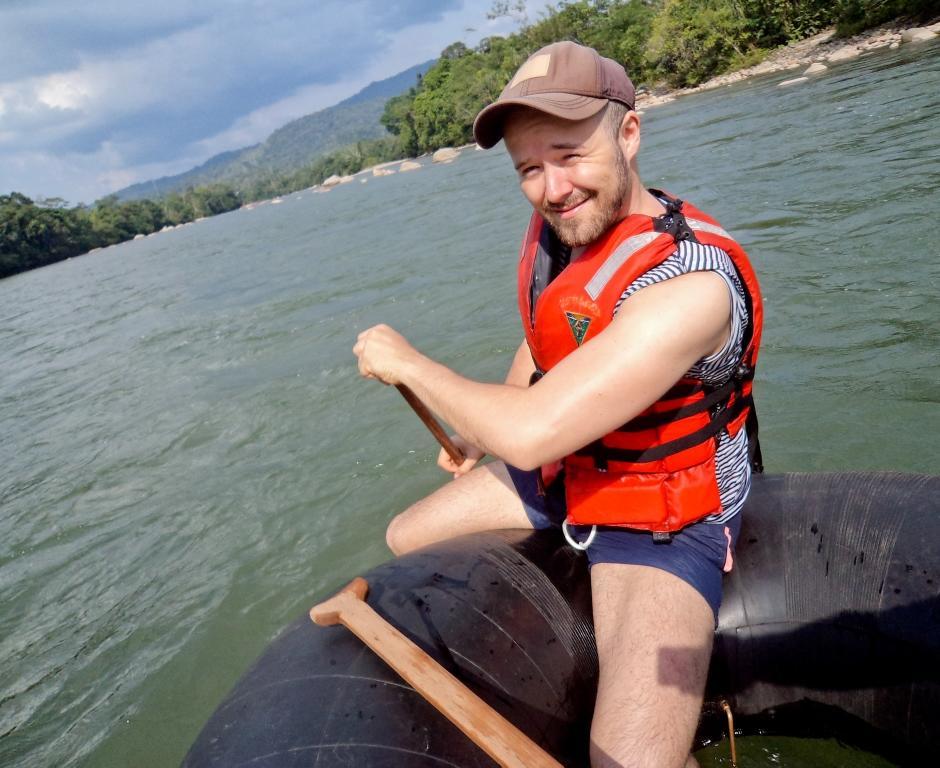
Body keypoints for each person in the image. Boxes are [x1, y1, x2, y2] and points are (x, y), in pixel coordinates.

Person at [353, 41, 763, 768]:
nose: (551, 187)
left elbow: (538, 433)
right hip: (574, 471)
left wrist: (412, 366)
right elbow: (547, 339)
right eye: (528, 169)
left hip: (664, 512)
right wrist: (489, 419)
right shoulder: (569, 228)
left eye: (569, 154)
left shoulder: (690, 287)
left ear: (629, 134)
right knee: (406, 536)